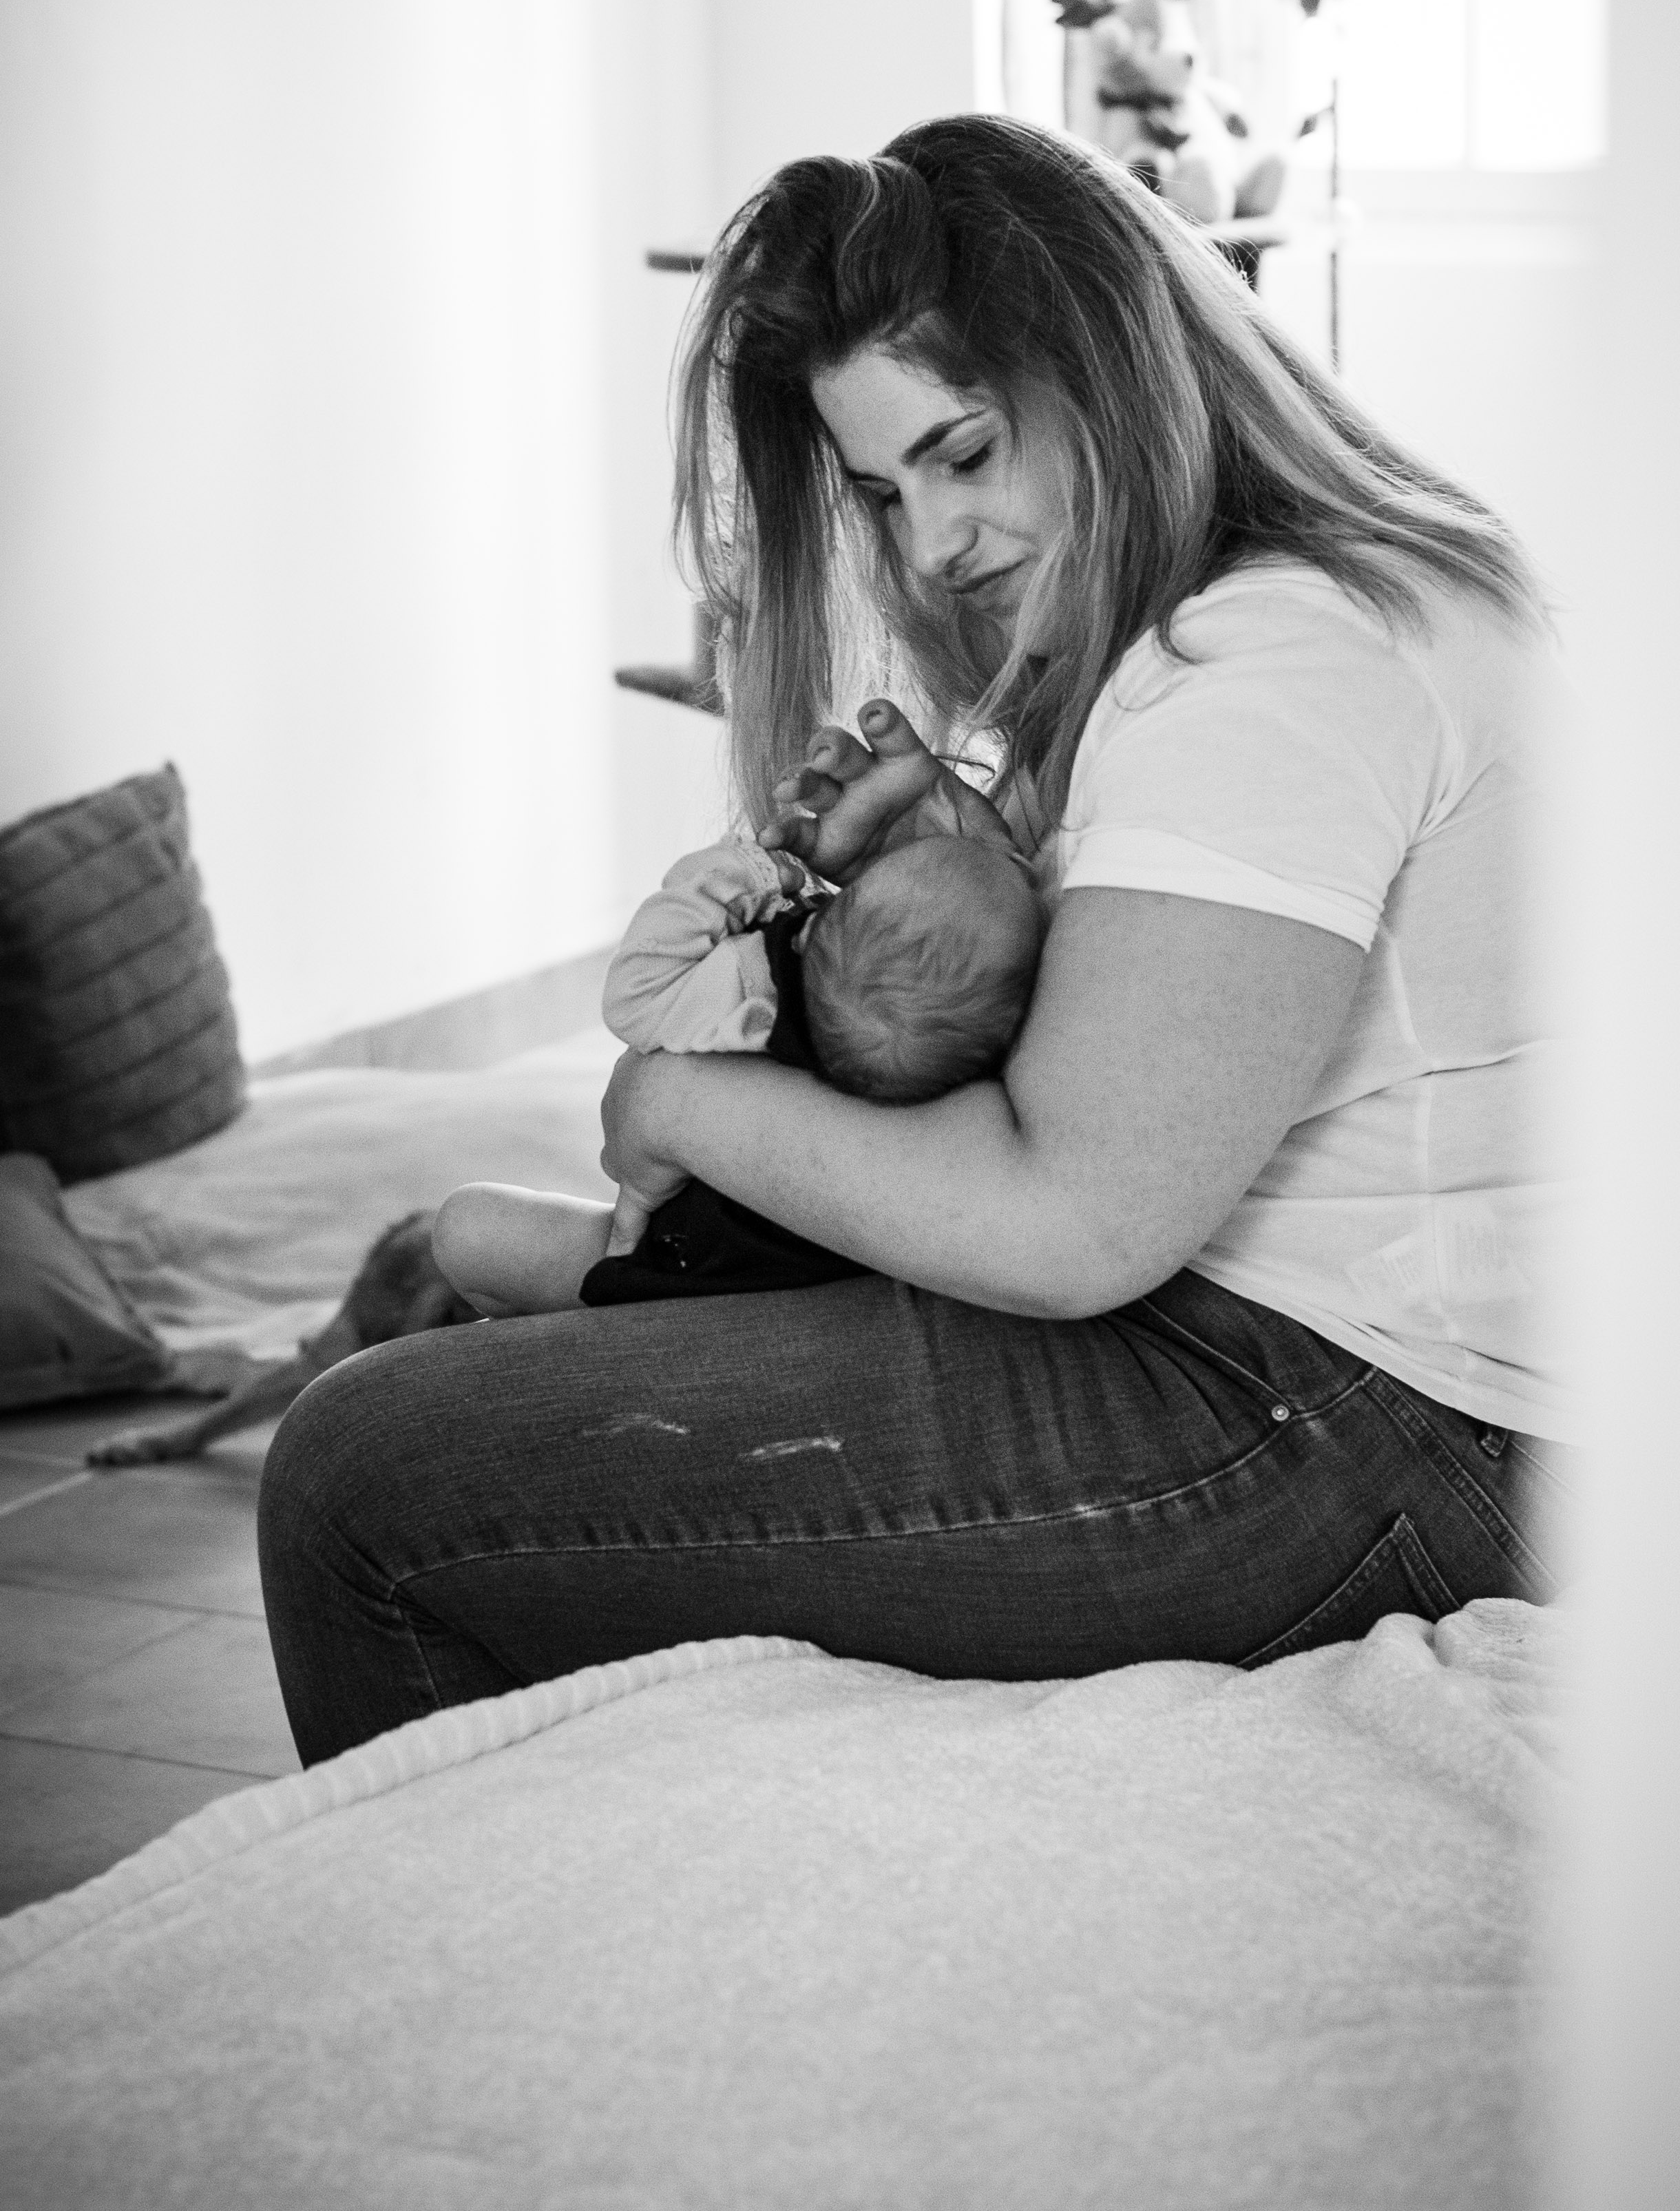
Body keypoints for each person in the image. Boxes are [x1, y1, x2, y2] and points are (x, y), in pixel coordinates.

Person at [259, 112, 1577, 1769]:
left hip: (1367, 1419)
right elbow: (1136, 1062)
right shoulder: (1311, 602)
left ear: (1117, 367)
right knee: (517, 1348)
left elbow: (1073, 1220)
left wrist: (674, 1104)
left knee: (366, 1478)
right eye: (886, 491)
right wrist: (962, 852)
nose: (934, 543)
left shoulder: (1279, 665)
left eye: (962, 451)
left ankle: (485, 1970)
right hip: (1377, 1379)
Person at [430, 791, 1044, 1314]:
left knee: (465, 1228)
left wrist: (750, 871)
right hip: (828, 1292)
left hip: (664, 1261)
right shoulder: (972, 1086)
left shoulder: (758, 992)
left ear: (812, 927)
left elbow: (633, 995)